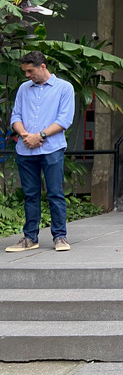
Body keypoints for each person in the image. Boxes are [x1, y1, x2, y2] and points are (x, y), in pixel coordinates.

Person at [6, 51, 75, 253]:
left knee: (55, 193)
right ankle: (30, 237)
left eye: (30, 71)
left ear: (43, 67)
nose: (27, 75)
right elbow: (15, 116)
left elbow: (65, 120)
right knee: (30, 195)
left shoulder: (64, 88)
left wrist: (41, 136)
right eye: (25, 71)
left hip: (52, 149)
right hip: (25, 149)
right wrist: (26, 134)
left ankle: (60, 237)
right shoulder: (23, 89)